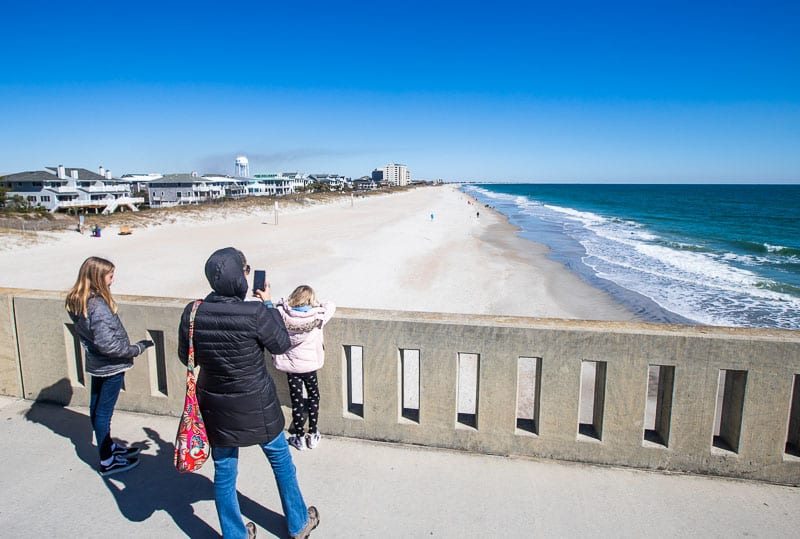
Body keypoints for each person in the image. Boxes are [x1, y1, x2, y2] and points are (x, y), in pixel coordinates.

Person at [178, 247, 319, 539]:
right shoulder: (254, 312)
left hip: (214, 405)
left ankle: (235, 534)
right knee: (281, 461)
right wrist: (267, 305)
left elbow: (186, 357)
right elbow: (281, 344)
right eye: (246, 269)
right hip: (257, 404)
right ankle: (298, 523)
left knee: (225, 473)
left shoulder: (193, 311)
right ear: (240, 276)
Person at [65, 256, 154, 476]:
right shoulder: (96, 306)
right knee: (103, 412)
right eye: (110, 276)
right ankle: (108, 461)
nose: (113, 280)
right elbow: (109, 345)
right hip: (110, 366)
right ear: (97, 276)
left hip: (96, 363)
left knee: (96, 409)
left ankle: (108, 447)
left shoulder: (77, 300)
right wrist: (137, 349)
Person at [273, 286, 336, 451]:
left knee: (297, 401)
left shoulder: (282, 315)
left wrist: (283, 304)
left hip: (292, 368)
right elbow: (331, 305)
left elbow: (272, 308)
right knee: (314, 398)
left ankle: (299, 437)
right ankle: (313, 434)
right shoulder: (318, 316)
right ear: (310, 300)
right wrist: (317, 303)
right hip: (309, 367)